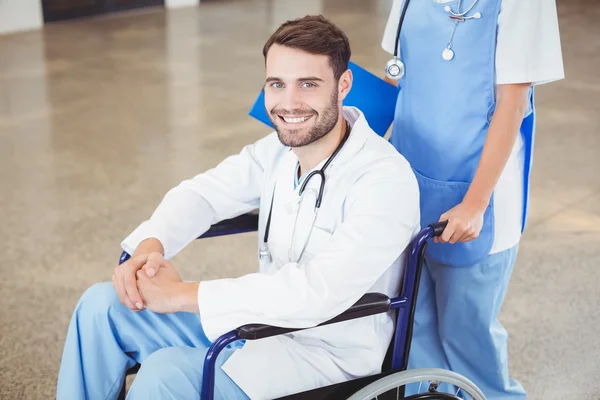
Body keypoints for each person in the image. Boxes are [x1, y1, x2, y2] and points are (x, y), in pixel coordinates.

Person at [57, 15, 421, 400]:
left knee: (166, 374)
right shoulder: (279, 150)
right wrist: (152, 244)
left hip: (322, 355)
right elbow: (203, 193)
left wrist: (182, 294)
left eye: (308, 85)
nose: (289, 103)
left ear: (343, 85)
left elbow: (318, 292)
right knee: (101, 307)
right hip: (256, 324)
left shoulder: (384, 180)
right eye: (277, 84)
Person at [380, 0, 564, 398]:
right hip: (410, 177)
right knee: (415, 328)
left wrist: (476, 203)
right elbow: (401, 77)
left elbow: (512, 104)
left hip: (479, 193)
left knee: (468, 335)